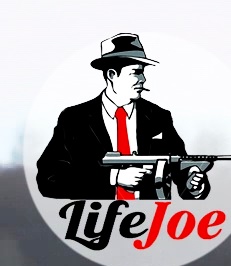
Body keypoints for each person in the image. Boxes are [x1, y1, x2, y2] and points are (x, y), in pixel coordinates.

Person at [35, 34, 206, 201]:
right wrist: (114, 177)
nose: (143, 79)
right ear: (111, 75)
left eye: (143, 72)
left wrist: (193, 185)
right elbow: (49, 179)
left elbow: (180, 166)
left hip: (152, 222)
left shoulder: (158, 117)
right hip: (95, 222)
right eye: (135, 72)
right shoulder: (75, 119)